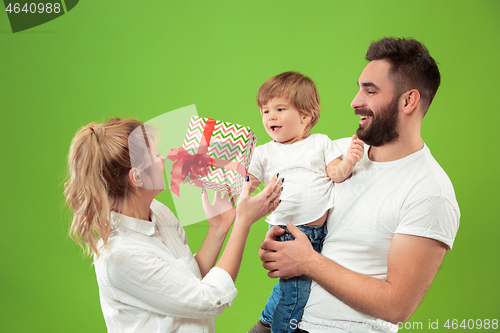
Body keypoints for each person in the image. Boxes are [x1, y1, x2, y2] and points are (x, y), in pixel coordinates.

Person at [259, 37, 460, 333]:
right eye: (359, 88)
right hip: (277, 319)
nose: (355, 101)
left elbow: (397, 306)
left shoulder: (430, 192)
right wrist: (280, 241)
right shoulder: (336, 152)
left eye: (370, 90)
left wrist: (307, 261)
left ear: (408, 101)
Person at [64, 117, 283, 333]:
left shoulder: (157, 211)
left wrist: (219, 227)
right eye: (154, 155)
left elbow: (189, 281)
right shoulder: (120, 256)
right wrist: (242, 223)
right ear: (137, 177)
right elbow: (209, 299)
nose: (162, 158)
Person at [247, 71, 364, 333]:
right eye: (265, 111)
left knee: (290, 287)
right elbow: (247, 186)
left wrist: (349, 162)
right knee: (295, 295)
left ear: (306, 115)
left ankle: (264, 325)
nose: (271, 117)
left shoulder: (320, 143)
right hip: (291, 233)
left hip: (322, 232)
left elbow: (336, 174)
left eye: (279, 109)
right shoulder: (263, 153)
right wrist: (234, 176)